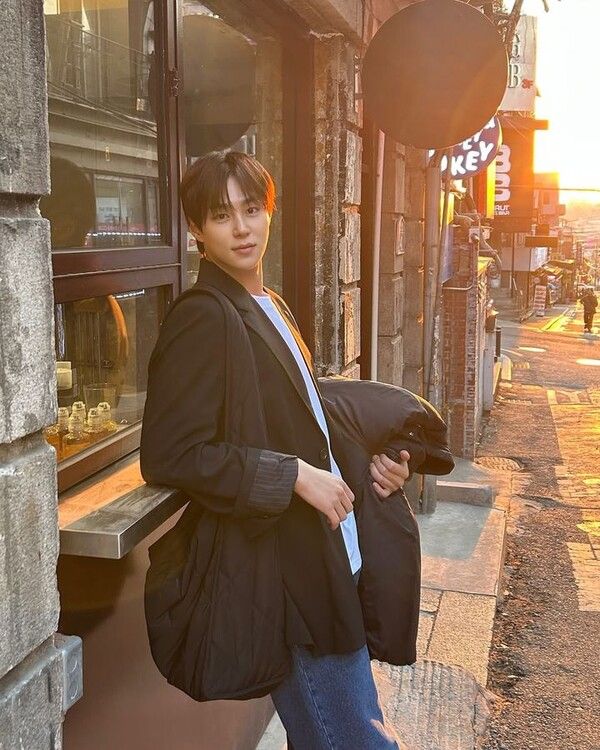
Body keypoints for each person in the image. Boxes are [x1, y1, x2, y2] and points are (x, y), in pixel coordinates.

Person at [140, 150, 411, 749]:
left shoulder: (271, 304)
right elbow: (170, 453)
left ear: (270, 211)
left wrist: (370, 467)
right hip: (291, 574)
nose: (240, 228)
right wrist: (290, 475)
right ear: (196, 229)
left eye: (250, 209)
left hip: (328, 554)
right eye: (220, 215)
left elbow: (305, 421)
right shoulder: (203, 317)